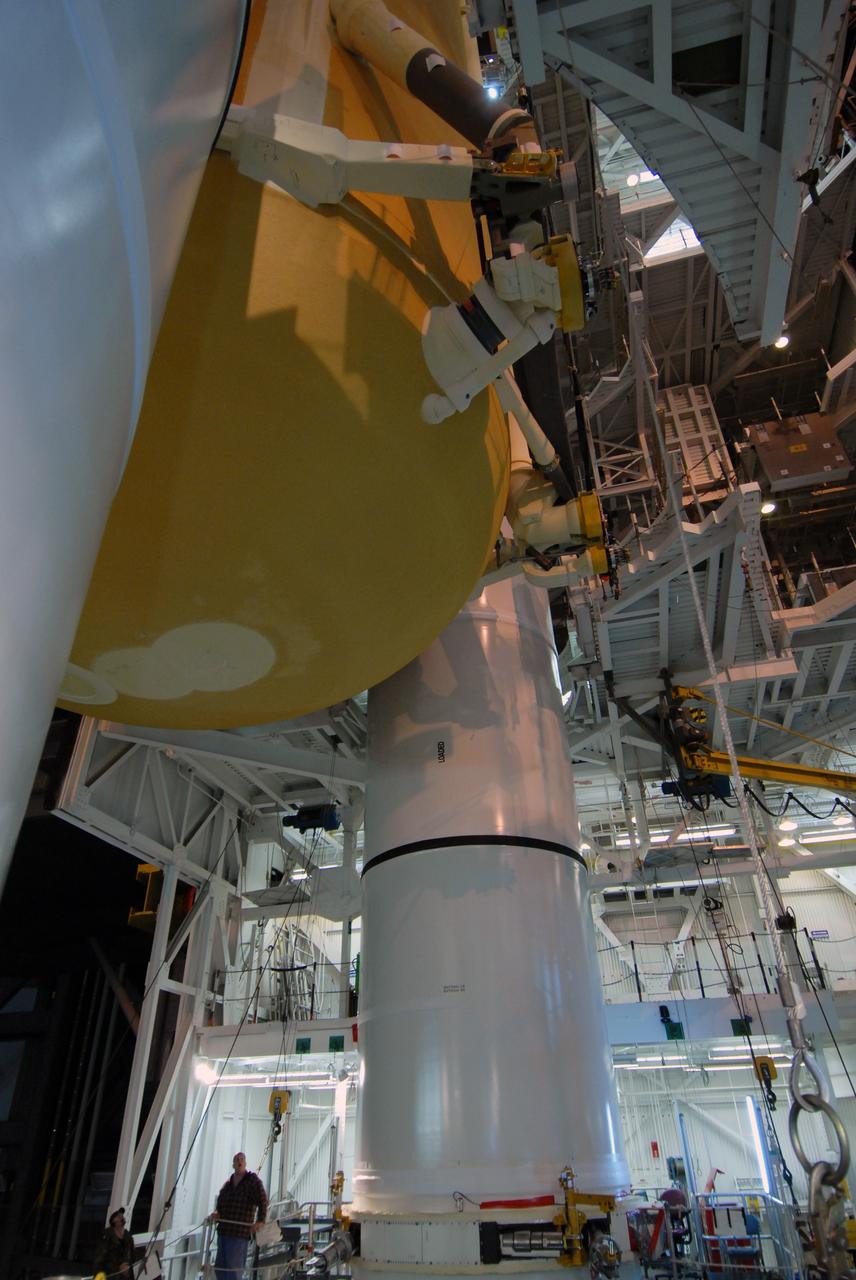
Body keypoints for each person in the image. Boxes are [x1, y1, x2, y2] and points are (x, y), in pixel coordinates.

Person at [210, 1152, 268, 1280]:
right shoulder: (229, 1184)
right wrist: (217, 1213)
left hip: (239, 1234)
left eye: (242, 1159)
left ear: (245, 1163)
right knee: (220, 1268)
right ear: (233, 1164)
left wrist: (260, 1221)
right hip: (224, 1231)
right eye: (237, 1160)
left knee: (234, 1270)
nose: (239, 1162)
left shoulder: (252, 1181)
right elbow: (221, 1200)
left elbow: (263, 1200)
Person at [93, 1206, 134, 1277]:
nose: (121, 1217)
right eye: (118, 1216)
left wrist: (128, 1267)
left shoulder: (128, 1236)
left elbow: (132, 1256)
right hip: (110, 1275)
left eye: (122, 1216)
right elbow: (100, 1258)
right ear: (113, 1221)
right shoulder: (107, 1235)